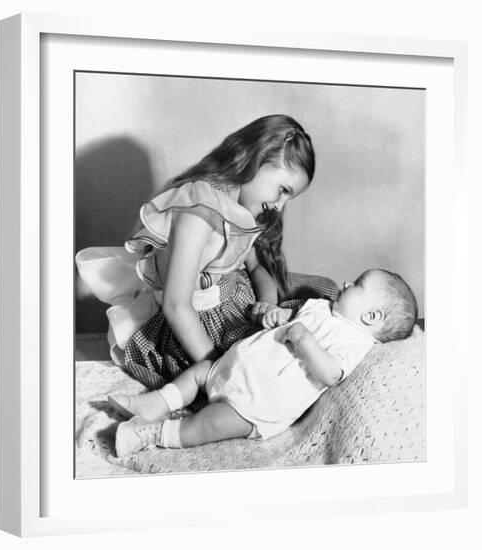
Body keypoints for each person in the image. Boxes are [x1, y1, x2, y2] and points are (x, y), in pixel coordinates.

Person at [76, 114, 318, 395]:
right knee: (266, 378)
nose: (279, 206)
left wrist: (267, 303)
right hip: (198, 330)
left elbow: (257, 268)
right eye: (283, 190)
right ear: (257, 158)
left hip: (240, 304)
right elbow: (176, 306)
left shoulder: (241, 208)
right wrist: (218, 371)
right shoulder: (199, 211)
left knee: (323, 298)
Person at [111, 268, 418, 457]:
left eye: (358, 284)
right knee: (199, 373)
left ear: (372, 316)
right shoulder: (321, 306)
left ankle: (152, 434)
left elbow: (331, 375)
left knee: (209, 423)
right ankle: (155, 402)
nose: (347, 281)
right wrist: (278, 317)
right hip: (234, 365)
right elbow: (291, 318)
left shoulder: (355, 342)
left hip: (256, 402)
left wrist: (305, 341)